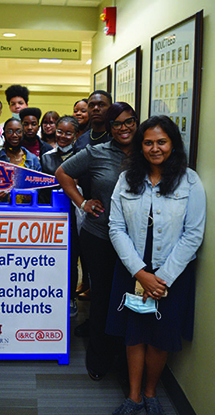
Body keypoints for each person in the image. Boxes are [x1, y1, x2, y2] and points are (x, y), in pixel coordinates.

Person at [107, 115, 206, 415]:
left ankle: (151, 394)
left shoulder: (190, 181)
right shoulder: (127, 179)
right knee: (134, 334)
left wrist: (160, 279)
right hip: (133, 269)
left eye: (161, 141)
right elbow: (115, 227)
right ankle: (133, 397)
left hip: (170, 274)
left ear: (173, 144)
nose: (154, 148)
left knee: (160, 336)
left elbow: (194, 233)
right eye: (148, 142)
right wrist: (140, 273)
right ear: (140, 146)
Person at [55, 102, 139, 380]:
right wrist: (82, 202)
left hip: (136, 240)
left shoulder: (146, 152)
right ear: (109, 127)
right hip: (99, 237)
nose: (124, 128)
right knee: (102, 299)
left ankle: (126, 360)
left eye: (129, 121)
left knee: (129, 299)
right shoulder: (96, 151)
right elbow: (62, 174)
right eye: (117, 124)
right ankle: (99, 360)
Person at [73, 91, 113, 309]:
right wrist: (82, 202)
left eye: (102, 105)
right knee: (90, 267)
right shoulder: (81, 141)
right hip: (88, 213)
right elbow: (68, 173)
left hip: (113, 214)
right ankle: (93, 322)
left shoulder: (116, 138)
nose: (96, 108)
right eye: (92, 105)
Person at [41, 115, 80, 317]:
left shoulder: (82, 155)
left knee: (72, 258)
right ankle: (51, 295)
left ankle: (70, 297)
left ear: (75, 135)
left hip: (77, 213)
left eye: (68, 133)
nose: (63, 136)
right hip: (53, 214)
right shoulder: (47, 156)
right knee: (52, 257)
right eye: (59, 131)